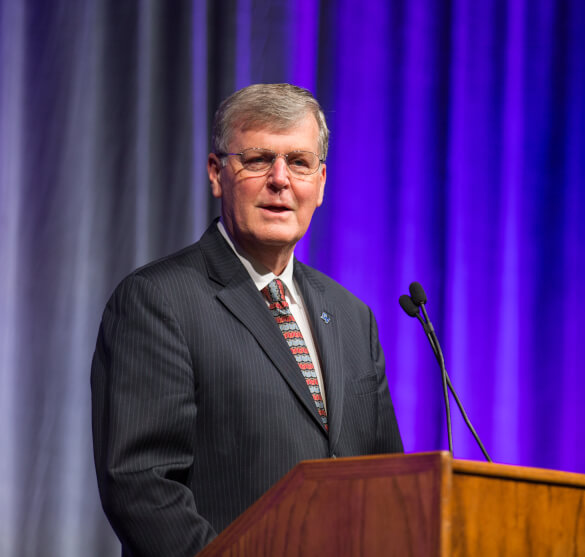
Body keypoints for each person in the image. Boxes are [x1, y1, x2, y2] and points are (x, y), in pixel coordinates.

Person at [91, 83, 404, 556]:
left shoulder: (352, 317)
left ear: (320, 184)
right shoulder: (158, 301)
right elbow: (142, 485)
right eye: (258, 160)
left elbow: (390, 481)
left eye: (299, 163)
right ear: (217, 174)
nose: (280, 179)